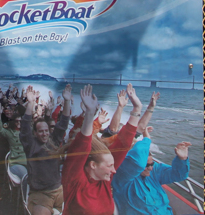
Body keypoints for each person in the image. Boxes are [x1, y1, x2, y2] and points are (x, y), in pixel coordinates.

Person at [62, 84, 145, 215]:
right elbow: (80, 147)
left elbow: (123, 145)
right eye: (110, 165)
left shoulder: (104, 178)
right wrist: (89, 114)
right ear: (93, 165)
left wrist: (137, 108)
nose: (114, 170)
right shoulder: (75, 181)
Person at [112, 126, 190, 215]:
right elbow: (137, 163)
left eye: (152, 163)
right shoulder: (122, 178)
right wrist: (146, 139)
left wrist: (182, 159)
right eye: (146, 165)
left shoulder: (154, 170)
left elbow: (179, 175)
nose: (150, 168)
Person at [20, 84, 72, 215]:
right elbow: (25, 126)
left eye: (46, 131)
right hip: (40, 194)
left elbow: (64, 122)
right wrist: (31, 103)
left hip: (58, 190)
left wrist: (66, 101)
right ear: (36, 133)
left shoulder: (53, 141)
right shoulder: (30, 145)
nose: (44, 134)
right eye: (41, 131)